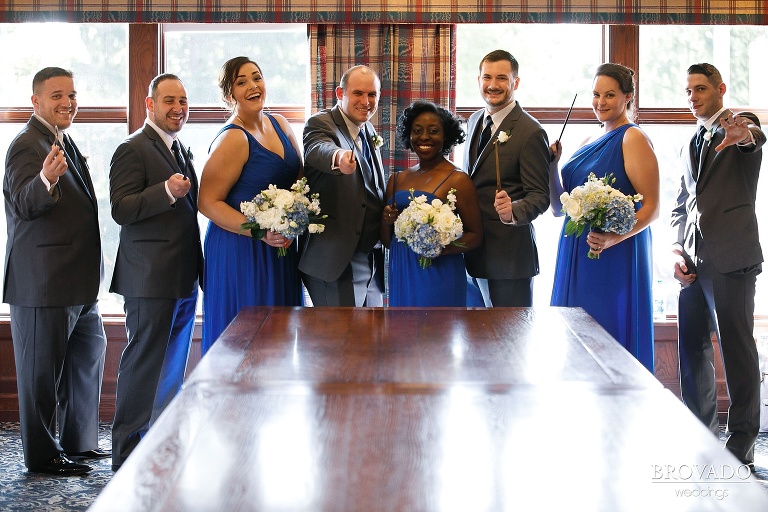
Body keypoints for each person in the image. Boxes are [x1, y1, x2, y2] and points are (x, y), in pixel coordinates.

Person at [3, 67, 108, 475]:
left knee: (88, 357)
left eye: (73, 94)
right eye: (57, 96)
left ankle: (79, 443)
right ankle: (44, 457)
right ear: (36, 101)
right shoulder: (25, 144)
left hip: (79, 284)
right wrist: (46, 178)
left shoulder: (63, 139)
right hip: (43, 283)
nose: (68, 103)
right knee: (40, 376)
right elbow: (24, 203)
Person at [671, 63, 765, 471]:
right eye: (688, 90)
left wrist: (745, 132)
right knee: (691, 349)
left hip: (732, 258)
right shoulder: (688, 141)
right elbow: (680, 205)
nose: (693, 97)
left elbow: (753, 135)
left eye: (701, 89)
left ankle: (742, 441)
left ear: (721, 89)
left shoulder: (737, 126)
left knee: (737, 349)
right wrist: (676, 250)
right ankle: (701, 433)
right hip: (691, 262)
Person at [109, 74, 203, 471]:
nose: (178, 108)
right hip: (148, 278)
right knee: (144, 363)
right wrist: (164, 190)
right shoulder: (132, 148)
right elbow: (121, 208)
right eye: (169, 100)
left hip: (182, 276)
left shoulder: (181, 149)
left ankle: (159, 442)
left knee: (172, 368)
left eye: (183, 101)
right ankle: (127, 453)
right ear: (149, 104)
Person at [549, 63, 659, 373]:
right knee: (576, 338)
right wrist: (551, 166)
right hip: (576, 251)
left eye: (610, 95)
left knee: (606, 334)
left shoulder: (633, 138)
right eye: (596, 95)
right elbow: (559, 208)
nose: (601, 102)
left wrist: (613, 238)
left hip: (614, 255)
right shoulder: (586, 141)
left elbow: (652, 206)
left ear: (628, 97)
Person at [199, 56, 303, 353]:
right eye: (241, 82)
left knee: (278, 340)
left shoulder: (280, 124)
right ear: (230, 95)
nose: (253, 86)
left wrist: (295, 221)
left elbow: (299, 183)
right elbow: (207, 202)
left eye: (257, 77)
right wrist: (258, 231)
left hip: (280, 246)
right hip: (242, 250)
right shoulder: (233, 139)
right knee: (246, 343)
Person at [463, 50, 550, 307]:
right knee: (476, 343)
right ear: (478, 80)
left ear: (516, 82)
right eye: (487, 77)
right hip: (472, 254)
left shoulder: (531, 131)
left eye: (502, 78)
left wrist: (512, 210)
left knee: (510, 343)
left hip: (510, 260)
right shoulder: (474, 120)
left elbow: (540, 197)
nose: (493, 85)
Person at [299, 65, 386, 307]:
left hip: (370, 258)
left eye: (372, 95)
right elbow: (319, 149)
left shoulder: (367, 128)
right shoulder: (321, 124)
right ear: (340, 93)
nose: (365, 101)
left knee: (370, 340)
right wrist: (338, 158)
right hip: (335, 260)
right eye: (358, 93)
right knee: (338, 342)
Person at [381, 100, 482, 306]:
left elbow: (475, 236)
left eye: (433, 130)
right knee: (402, 333)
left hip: (439, 273)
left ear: (446, 136)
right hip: (402, 270)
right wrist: (386, 220)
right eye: (417, 130)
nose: (424, 136)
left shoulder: (458, 180)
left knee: (436, 335)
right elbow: (386, 241)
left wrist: (437, 248)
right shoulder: (397, 179)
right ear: (409, 136)